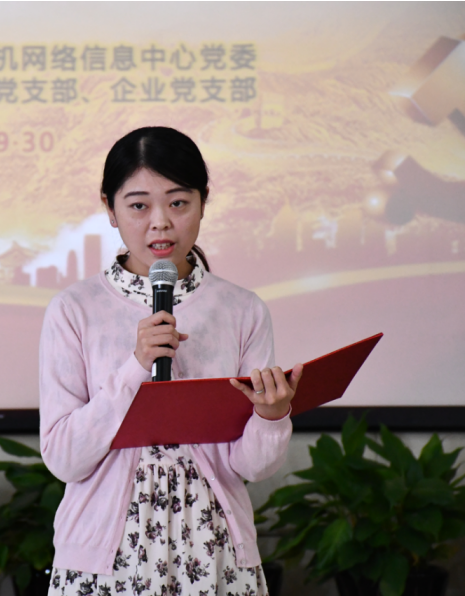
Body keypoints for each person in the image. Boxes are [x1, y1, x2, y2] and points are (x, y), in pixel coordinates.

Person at [39, 126, 303, 596]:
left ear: (203, 202)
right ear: (110, 208)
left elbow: (252, 466)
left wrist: (271, 416)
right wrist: (135, 366)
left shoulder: (241, 309)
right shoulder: (75, 310)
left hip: (214, 551)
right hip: (104, 563)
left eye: (178, 203)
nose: (160, 223)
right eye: (138, 206)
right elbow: (64, 458)